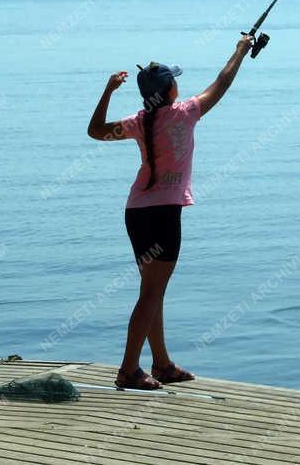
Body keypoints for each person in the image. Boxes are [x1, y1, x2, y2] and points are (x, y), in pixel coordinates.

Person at [88, 34, 253, 389]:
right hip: (162, 215)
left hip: (137, 213)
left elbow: (95, 131)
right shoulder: (185, 113)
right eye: (175, 80)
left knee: (153, 290)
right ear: (171, 90)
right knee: (151, 293)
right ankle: (128, 370)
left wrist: (108, 91)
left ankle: (161, 364)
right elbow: (222, 83)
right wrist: (240, 50)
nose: (180, 83)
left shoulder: (138, 121)